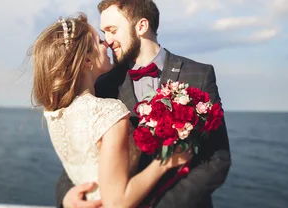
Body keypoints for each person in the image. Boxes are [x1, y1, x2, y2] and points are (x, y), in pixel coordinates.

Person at [55, 0, 231, 208]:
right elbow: (82, 151)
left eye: (112, 31)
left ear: (141, 26)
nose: (107, 41)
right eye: (103, 33)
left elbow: (217, 158)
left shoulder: (198, 74)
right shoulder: (104, 84)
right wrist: (66, 195)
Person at [31, 13, 193, 208]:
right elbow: (117, 203)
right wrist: (164, 163)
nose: (106, 44)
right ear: (87, 61)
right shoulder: (108, 111)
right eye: (99, 41)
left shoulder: (54, 113)